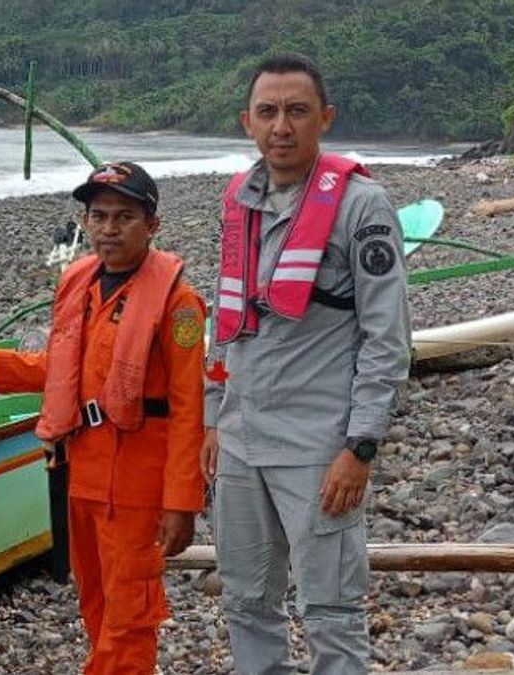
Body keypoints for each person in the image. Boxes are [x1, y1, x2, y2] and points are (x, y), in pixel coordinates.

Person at [202, 54, 412, 675]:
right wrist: (214, 418)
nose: (281, 127)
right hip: (241, 443)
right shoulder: (240, 200)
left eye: (297, 111)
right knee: (246, 599)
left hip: (318, 447)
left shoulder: (360, 206)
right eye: (267, 112)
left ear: (326, 118)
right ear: (247, 122)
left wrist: (361, 446)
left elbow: (387, 339)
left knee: (331, 609)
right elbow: (227, 319)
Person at [0, 162, 206, 675]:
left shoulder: (178, 302)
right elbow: (63, 369)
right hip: (78, 473)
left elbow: (190, 407)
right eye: (99, 216)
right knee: (95, 601)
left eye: (124, 217)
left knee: (131, 613)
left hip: (135, 483)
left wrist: (182, 502)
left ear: (152, 225)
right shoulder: (80, 283)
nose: (109, 228)